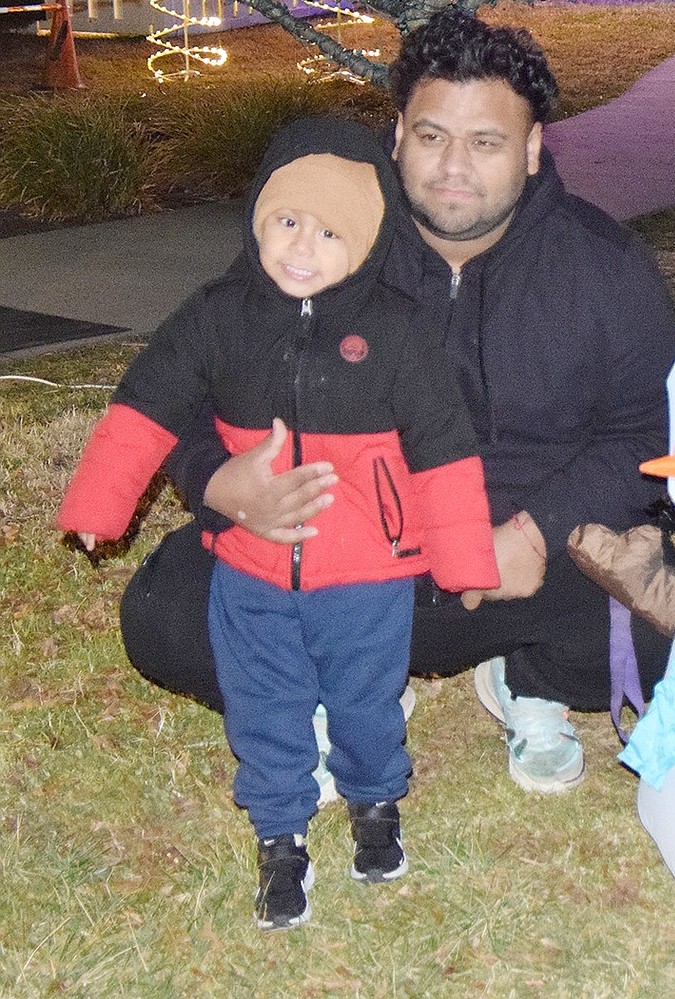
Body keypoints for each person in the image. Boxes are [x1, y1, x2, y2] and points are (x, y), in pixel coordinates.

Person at [118, 10, 675, 797]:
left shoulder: (607, 269)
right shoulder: (317, 248)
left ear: (530, 149)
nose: (454, 166)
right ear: (396, 137)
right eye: (430, 136)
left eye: (486, 141)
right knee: (162, 614)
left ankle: (521, 678)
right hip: (340, 561)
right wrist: (217, 483)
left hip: (518, 563)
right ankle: (343, 679)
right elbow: (178, 395)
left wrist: (536, 532)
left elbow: (646, 438)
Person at [58, 117, 500, 931]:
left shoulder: (397, 330)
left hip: (367, 574)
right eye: (287, 220)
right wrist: (97, 503)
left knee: (366, 698)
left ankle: (375, 803)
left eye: (332, 232)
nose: (303, 246)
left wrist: (464, 558)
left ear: (367, 242)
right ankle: (279, 831)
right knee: (263, 702)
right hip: (251, 569)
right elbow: (146, 403)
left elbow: (444, 446)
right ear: (258, 213)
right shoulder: (219, 314)